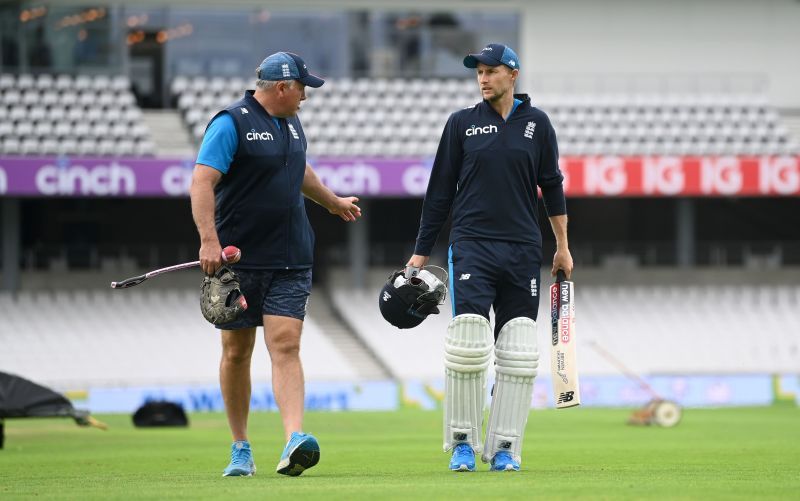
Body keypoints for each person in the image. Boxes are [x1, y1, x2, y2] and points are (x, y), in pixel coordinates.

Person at [190, 51, 362, 477]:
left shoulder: (292, 123)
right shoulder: (230, 123)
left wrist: (333, 202)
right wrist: (209, 241)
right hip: (239, 262)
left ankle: (293, 439)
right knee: (236, 352)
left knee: (285, 345)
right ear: (282, 87)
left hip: (291, 258)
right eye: (303, 88)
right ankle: (240, 448)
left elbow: (301, 173)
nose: (306, 96)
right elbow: (202, 181)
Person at [405, 43, 573, 472]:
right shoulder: (461, 124)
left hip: (522, 249)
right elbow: (439, 192)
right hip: (472, 246)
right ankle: (462, 443)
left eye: (490, 71)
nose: (482, 78)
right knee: (469, 340)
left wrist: (562, 246)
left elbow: (552, 187)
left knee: (517, 349)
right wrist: (420, 256)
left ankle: (504, 449)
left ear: (512, 75)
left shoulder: (538, 124)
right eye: (478, 72)